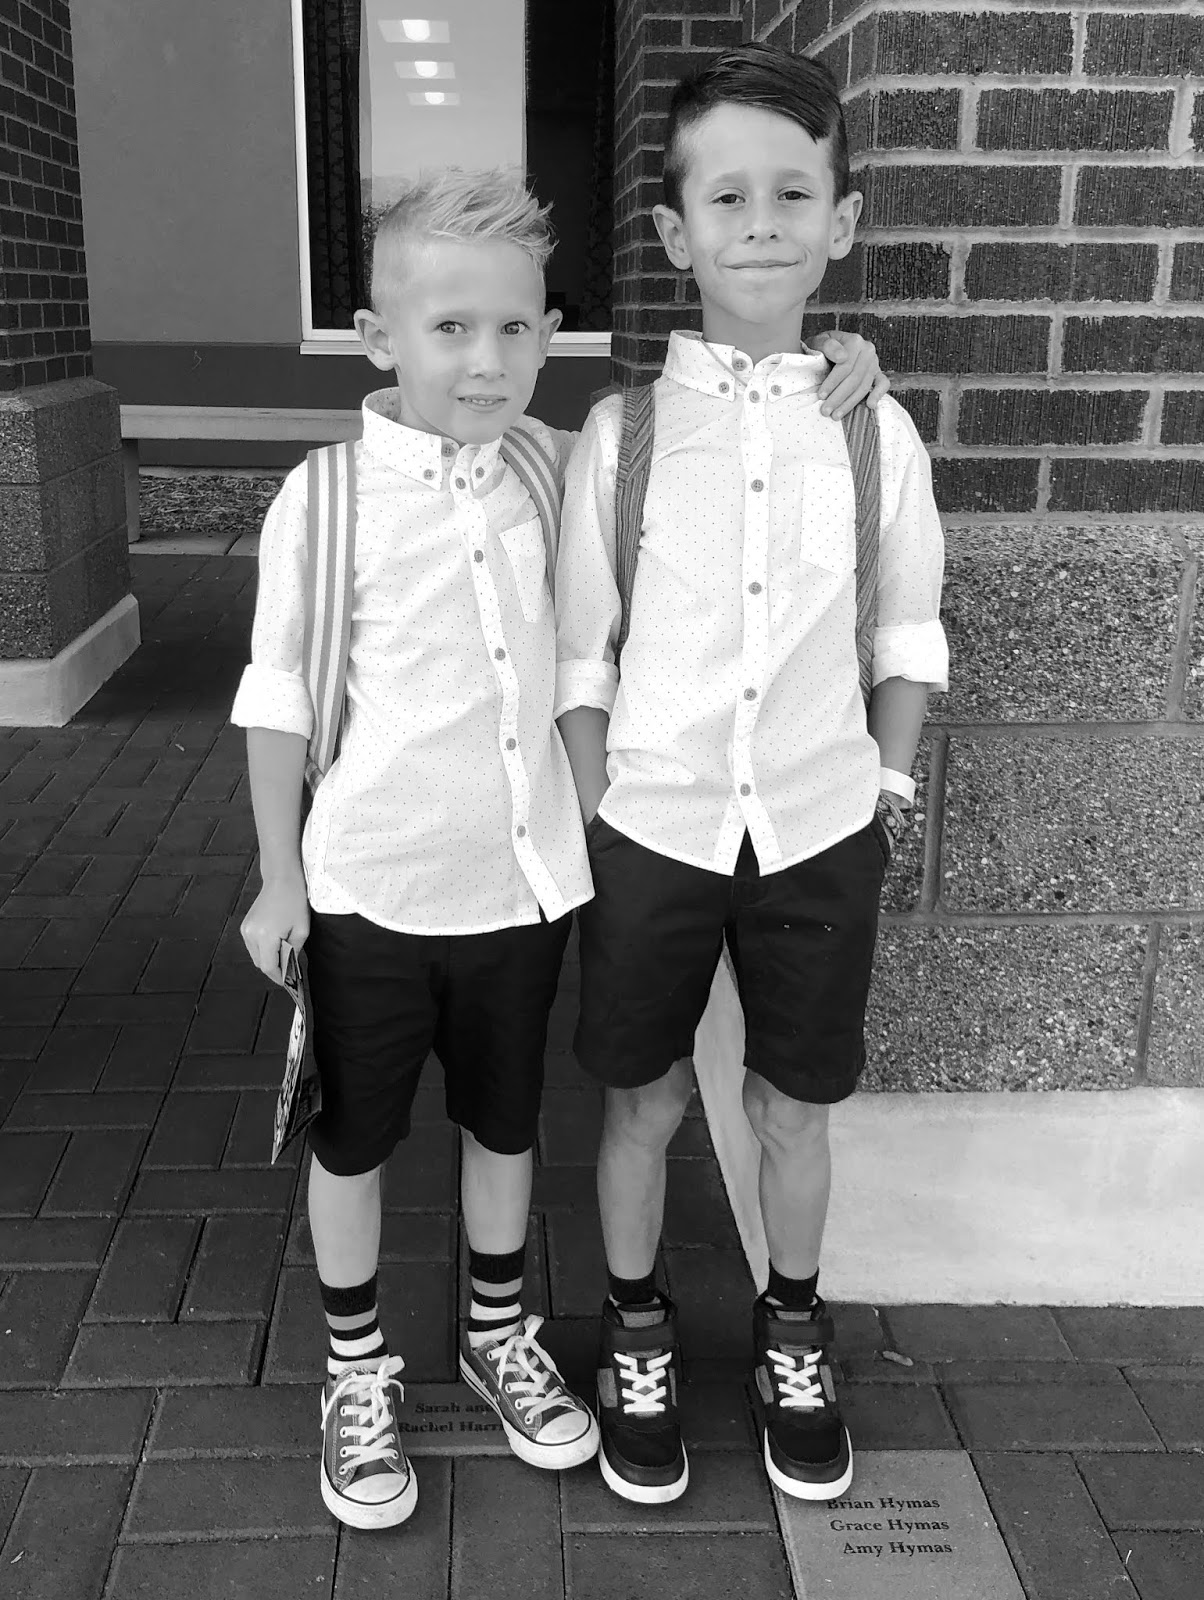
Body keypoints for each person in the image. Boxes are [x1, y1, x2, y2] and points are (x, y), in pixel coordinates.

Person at [232, 164, 885, 1531]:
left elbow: (721, 427)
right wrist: (280, 879)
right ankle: (356, 1366)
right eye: (450, 328)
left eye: (517, 328)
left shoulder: (554, 463)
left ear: (550, 334)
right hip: (366, 889)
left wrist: (840, 358)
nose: (487, 360)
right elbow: (278, 698)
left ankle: (498, 1332)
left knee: (506, 1121)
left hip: (521, 891)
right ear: (378, 336)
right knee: (352, 1139)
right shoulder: (324, 499)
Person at [554, 44, 948, 1507]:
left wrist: (885, 787)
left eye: (795, 193)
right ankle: (636, 1327)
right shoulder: (624, 437)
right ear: (676, 232)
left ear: (843, 220)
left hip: (818, 821)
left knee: (796, 1103)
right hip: (651, 826)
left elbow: (906, 632)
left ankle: (793, 1325)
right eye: (728, 197)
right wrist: (598, 813)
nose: (763, 222)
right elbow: (582, 653)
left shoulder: (873, 429)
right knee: (643, 1099)